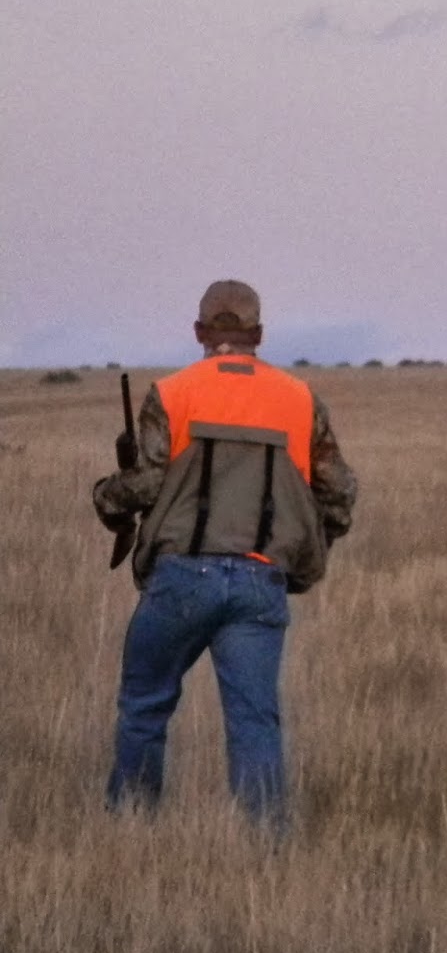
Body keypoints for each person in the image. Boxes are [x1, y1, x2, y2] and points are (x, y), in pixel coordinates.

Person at [92, 280, 358, 831]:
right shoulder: (299, 398)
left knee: (144, 706)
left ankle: (130, 834)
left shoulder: (172, 392)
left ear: (199, 333)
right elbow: (339, 493)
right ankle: (266, 854)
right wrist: (312, 547)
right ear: (258, 335)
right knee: (255, 721)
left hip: (182, 577)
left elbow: (143, 485)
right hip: (263, 580)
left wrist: (105, 499)